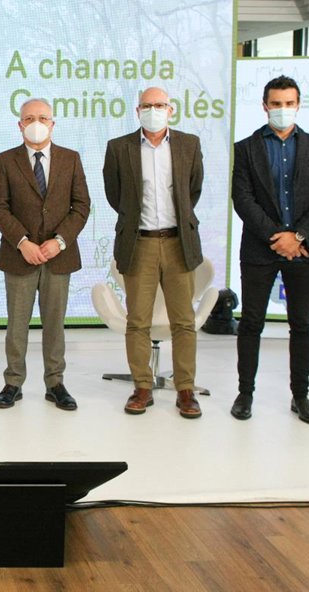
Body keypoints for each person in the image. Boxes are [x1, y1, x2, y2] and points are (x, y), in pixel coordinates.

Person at [230, 76, 309, 425]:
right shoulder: (246, 148)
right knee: (251, 323)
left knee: (301, 324)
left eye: (289, 103)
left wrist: (298, 236)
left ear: (298, 105)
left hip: (303, 250)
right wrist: (278, 237)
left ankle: (300, 396)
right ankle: (245, 393)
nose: (282, 109)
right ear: (265, 106)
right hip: (260, 249)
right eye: (276, 104)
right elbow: (242, 199)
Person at [102, 86, 205, 418]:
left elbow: (192, 190)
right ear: (137, 111)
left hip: (179, 243)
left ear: (170, 110)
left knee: (184, 321)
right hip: (139, 243)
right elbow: (115, 195)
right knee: (137, 321)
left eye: (159, 105)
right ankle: (142, 387)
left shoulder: (189, 144)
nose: (153, 111)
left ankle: (185, 390)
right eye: (147, 106)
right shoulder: (119, 148)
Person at [0, 98, 90, 411]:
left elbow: (81, 206)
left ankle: (55, 383)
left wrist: (60, 241)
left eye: (43, 118)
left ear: (52, 123)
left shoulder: (71, 159)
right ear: (20, 125)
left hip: (59, 256)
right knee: (17, 324)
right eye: (29, 118)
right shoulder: (5, 160)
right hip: (19, 256)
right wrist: (22, 242)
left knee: (54, 324)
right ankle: (13, 383)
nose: (36, 123)